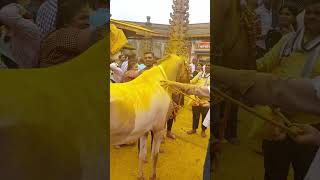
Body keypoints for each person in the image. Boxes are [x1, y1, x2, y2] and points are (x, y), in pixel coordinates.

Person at [39, 0, 106, 67]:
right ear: (66, 21)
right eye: (83, 18)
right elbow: (94, 37)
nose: (88, 22)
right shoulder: (61, 35)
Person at [0, 2, 40, 68]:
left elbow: (4, 13)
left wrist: (17, 7)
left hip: (25, 73)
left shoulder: (29, 29)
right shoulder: (9, 30)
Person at [187, 63, 210, 138]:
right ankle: (194, 129)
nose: (207, 67)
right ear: (204, 67)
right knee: (195, 115)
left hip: (206, 100)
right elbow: (192, 81)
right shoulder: (200, 74)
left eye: (209, 66)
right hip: (196, 98)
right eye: (206, 65)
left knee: (205, 116)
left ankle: (203, 130)